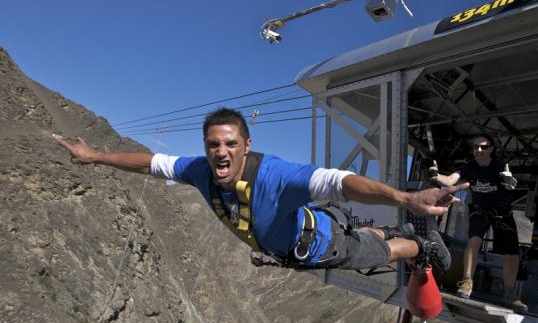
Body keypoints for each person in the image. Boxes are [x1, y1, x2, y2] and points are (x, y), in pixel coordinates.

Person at [55, 107, 460, 273]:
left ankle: (420, 245)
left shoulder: (276, 176)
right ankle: (404, 232)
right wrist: (95, 157)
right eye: (214, 145)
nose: (221, 152)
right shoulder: (197, 170)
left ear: (246, 146)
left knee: (379, 251)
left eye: (231, 144)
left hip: (319, 245)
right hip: (308, 232)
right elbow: (149, 164)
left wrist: (405, 200)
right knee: (360, 236)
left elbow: (339, 182)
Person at [433, 134, 527, 312]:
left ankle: (509, 293)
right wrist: (436, 175)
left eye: (483, 147)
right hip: (480, 210)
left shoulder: (499, 166)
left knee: (512, 251)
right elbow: (450, 180)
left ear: (491, 148)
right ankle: (467, 282)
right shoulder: (470, 167)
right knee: (474, 240)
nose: (478, 150)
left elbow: (510, 185)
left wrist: (509, 181)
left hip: (502, 212)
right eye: (476, 147)